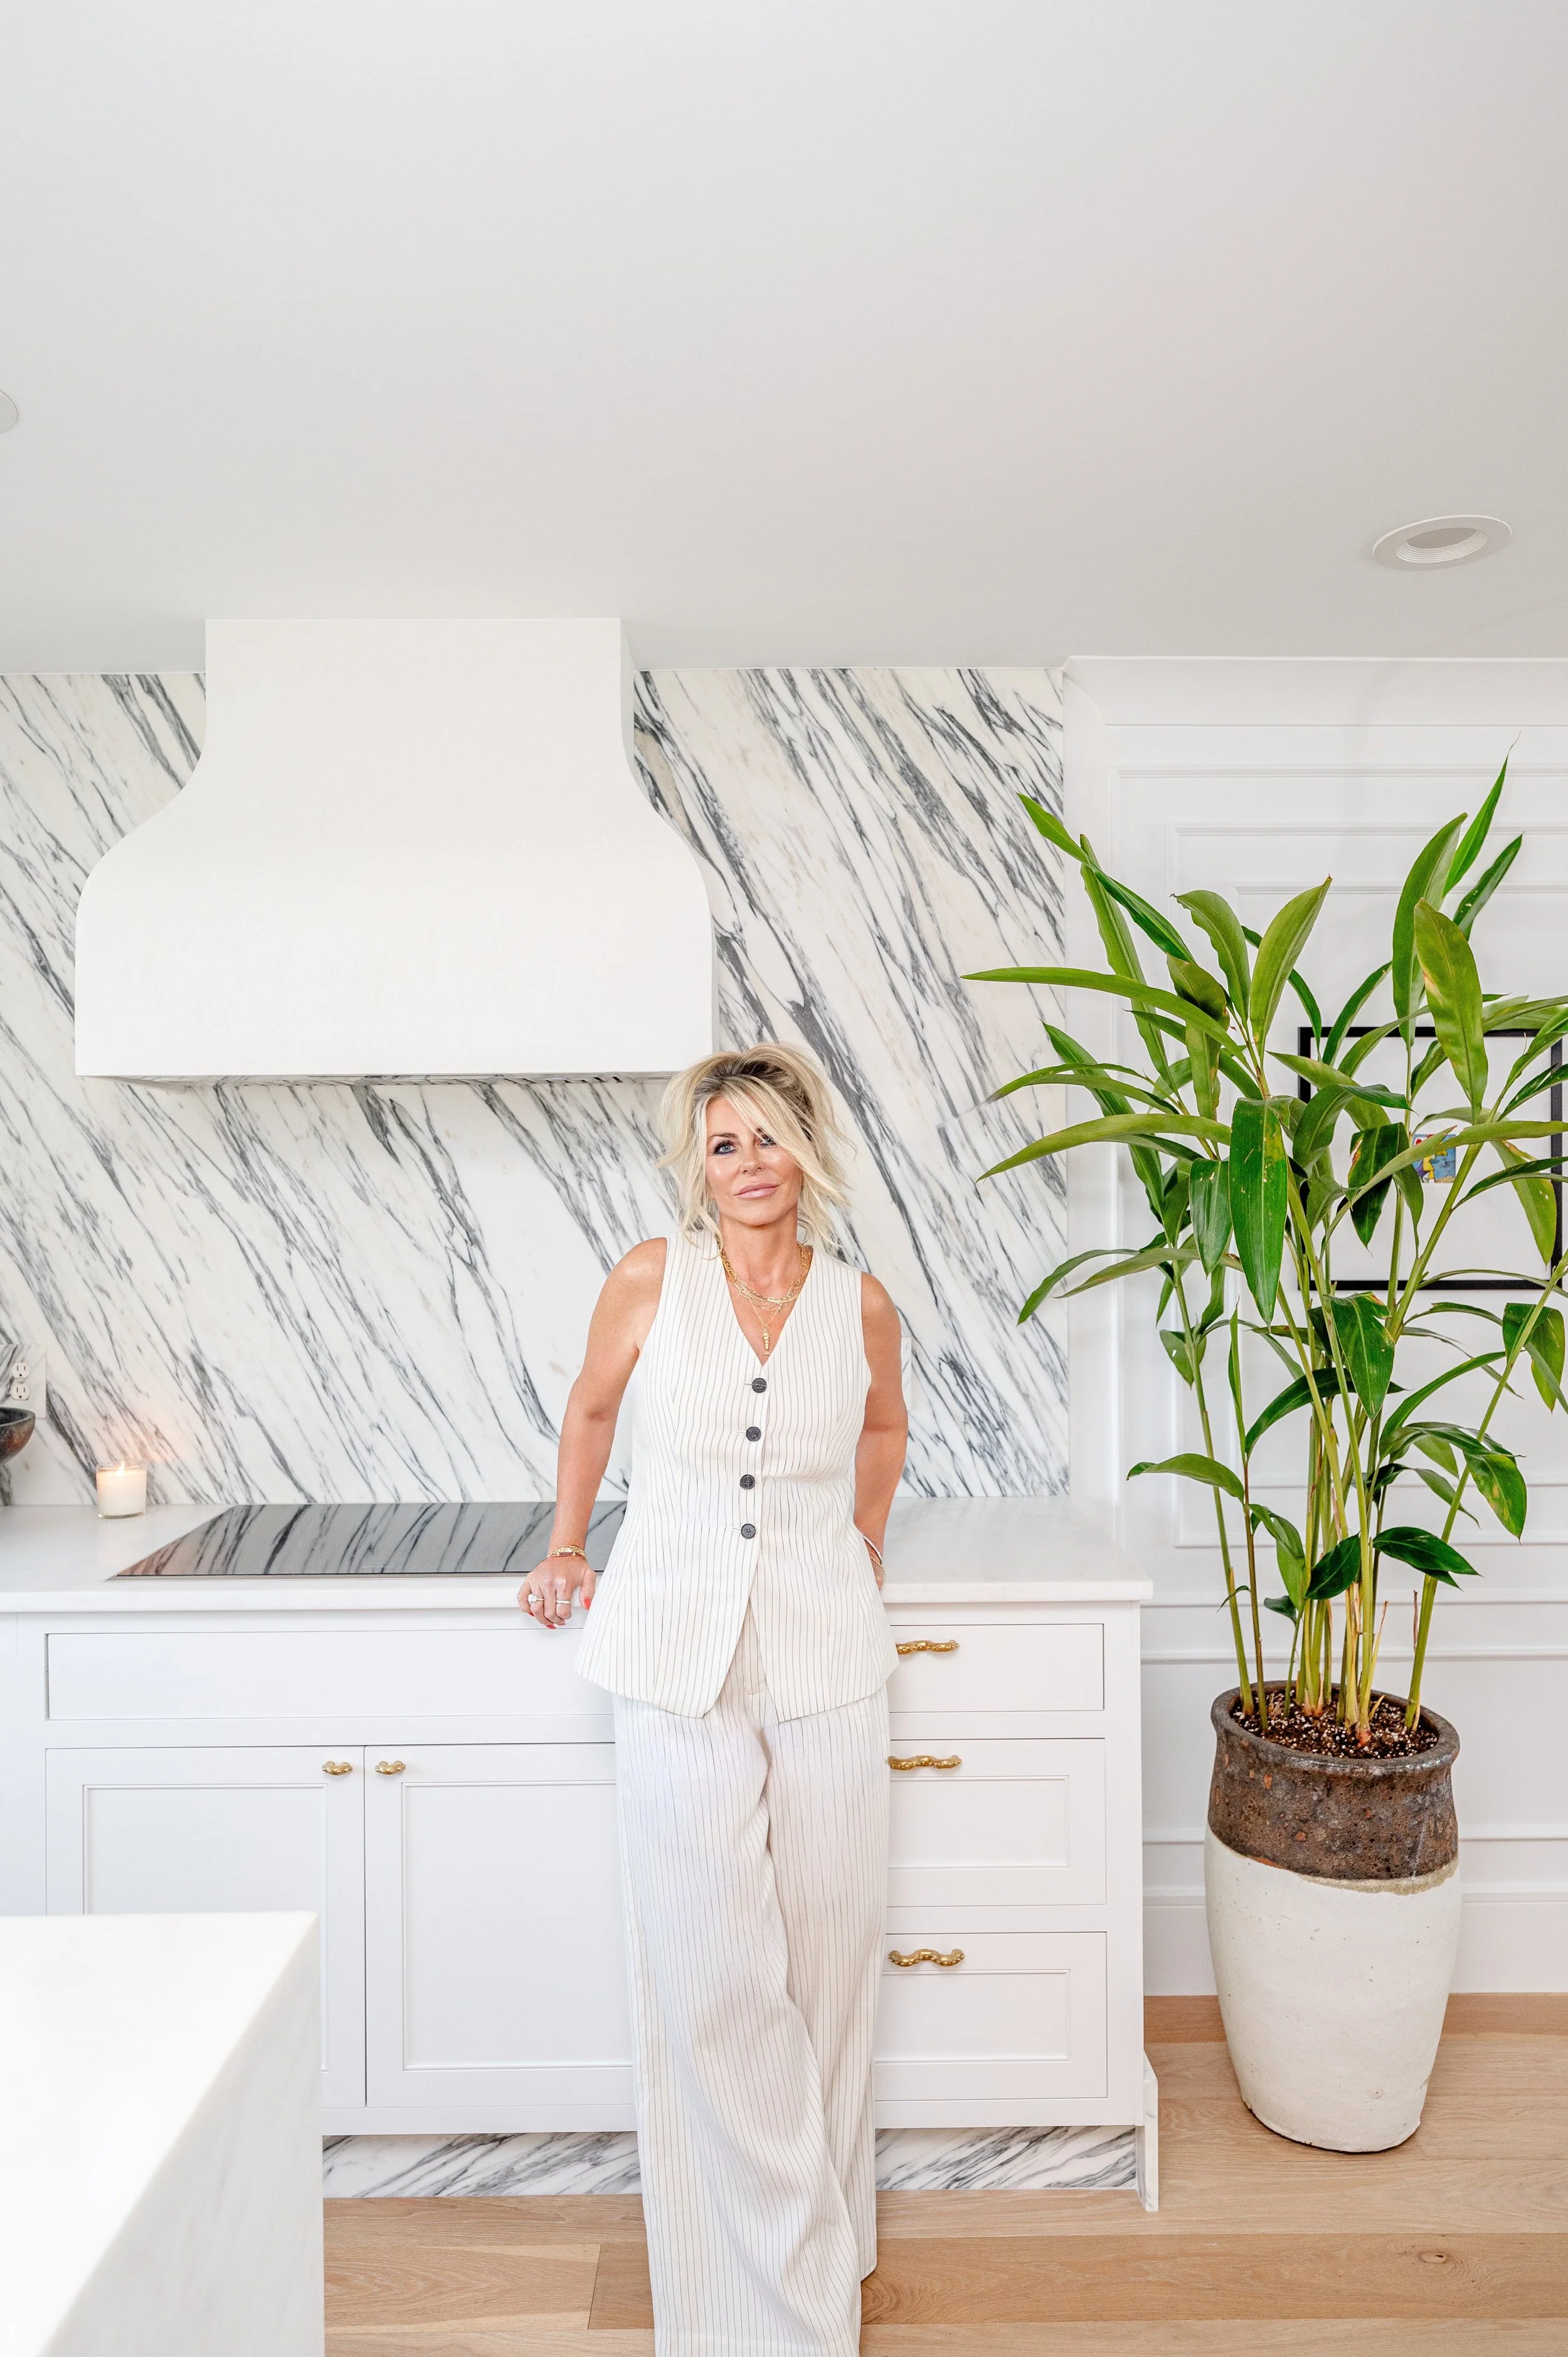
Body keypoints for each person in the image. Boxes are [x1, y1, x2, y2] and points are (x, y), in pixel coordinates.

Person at [518, 1042, 908, 2356]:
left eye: (767, 1138)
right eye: (721, 1144)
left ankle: (821, 2251)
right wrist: (568, 1543)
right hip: (672, 1650)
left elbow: (883, 1431)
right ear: (698, 1163)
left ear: (808, 1148)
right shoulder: (650, 1276)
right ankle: (771, 2302)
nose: (746, 1165)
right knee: (712, 1975)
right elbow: (586, 1413)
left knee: (827, 1965)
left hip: (826, 1661)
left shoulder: (859, 1303)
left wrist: (857, 1538)